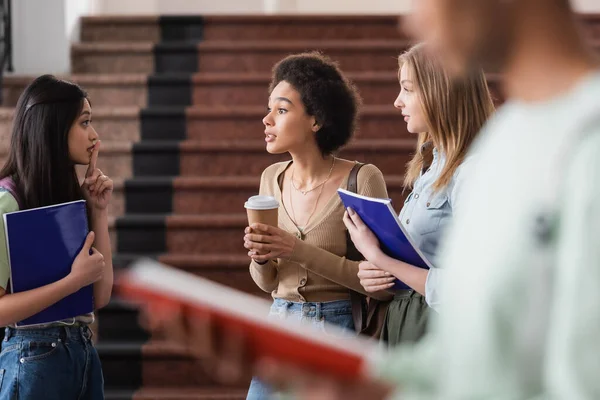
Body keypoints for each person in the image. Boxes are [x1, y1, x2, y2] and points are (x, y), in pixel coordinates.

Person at [254, 0, 600, 398]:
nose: (413, 19)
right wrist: (356, 384)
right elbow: (483, 352)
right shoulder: (506, 140)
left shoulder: (586, 147)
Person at [241, 52, 391, 399]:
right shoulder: (271, 178)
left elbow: (383, 284)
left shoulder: (362, 178)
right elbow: (269, 284)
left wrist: (296, 250)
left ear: (316, 120)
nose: (266, 120)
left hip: (337, 330)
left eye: (280, 110)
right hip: (279, 324)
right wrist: (261, 258)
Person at [344, 43, 495, 346]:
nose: (398, 102)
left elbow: (471, 288)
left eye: (408, 89)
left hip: (440, 334)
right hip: (407, 323)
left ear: (442, 91)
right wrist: (379, 273)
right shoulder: (432, 168)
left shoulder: (475, 170)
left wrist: (379, 257)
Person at [0, 75, 113, 399]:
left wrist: (98, 210)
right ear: (53, 127)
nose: (94, 135)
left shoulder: (68, 202)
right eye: (85, 122)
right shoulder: (8, 201)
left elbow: (99, 296)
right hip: (34, 356)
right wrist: (71, 282)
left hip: (81, 353)